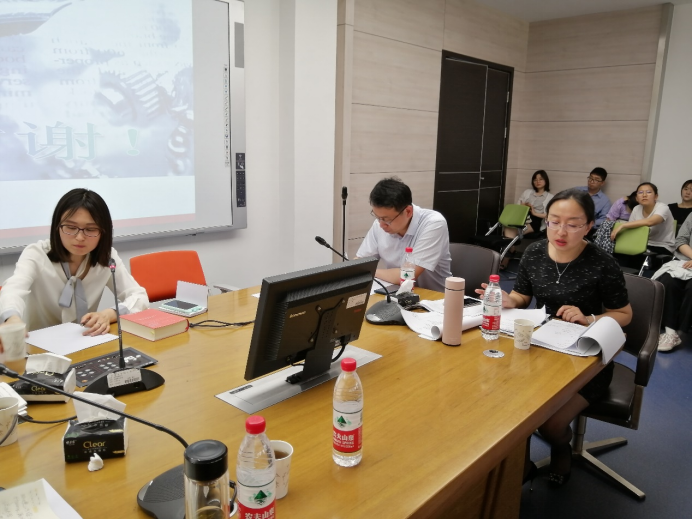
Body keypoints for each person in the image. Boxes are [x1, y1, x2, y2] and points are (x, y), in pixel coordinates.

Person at [476, 188, 632, 486]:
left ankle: (561, 447)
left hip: (585, 359)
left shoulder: (602, 262)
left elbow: (624, 314)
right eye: (554, 221)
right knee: (509, 407)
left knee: (551, 425)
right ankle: (518, 469)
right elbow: (522, 296)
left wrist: (589, 318)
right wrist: (510, 300)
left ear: (589, 226)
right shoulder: (535, 252)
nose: (561, 231)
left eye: (573, 224)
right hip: (540, 348)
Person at [0, 189, 149, 351]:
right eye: (70, 227)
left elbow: (139, 296)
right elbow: (13, 289)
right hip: (36, 348)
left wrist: (109, 313)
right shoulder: (37, 253)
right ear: (57, 227)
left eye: (90, 229)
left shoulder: (107, 257)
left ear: (103, 231)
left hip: (84, 344)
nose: (79, 237)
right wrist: (12, 318)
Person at [356, 177, 452, 292]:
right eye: (377, 217)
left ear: (408, 211)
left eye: (387, 220)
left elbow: (406, 276)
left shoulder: (434, 223)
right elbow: (360, 262)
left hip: (434, 297)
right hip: (397, 293)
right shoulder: (380, 224)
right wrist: (356, 268)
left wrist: (368, 271)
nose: (381, 225)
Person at [610, 182, 675, 270]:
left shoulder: (663, 208)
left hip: (661, 246)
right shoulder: (636, 209)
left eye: (648, 192)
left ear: (656, 196)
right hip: (640, 244)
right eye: (640, 192)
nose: (644, 195)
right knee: (616, 255)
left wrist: (622, 225)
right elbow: (632, 230)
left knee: (636, 258)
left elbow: (651, 221)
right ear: (637, 198)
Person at [653, 212, 692, 352]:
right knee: (668, 281)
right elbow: (681, 240)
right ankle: (670, 333)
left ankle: (682, 330)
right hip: (686, 260)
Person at [577, 167, 612, 232]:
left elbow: (603, 219)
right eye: (590, 178)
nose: (591, 181)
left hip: (587, 229)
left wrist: (588, 224)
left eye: (596, 180)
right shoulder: (577, 191)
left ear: (602, 183)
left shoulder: (605, 201)